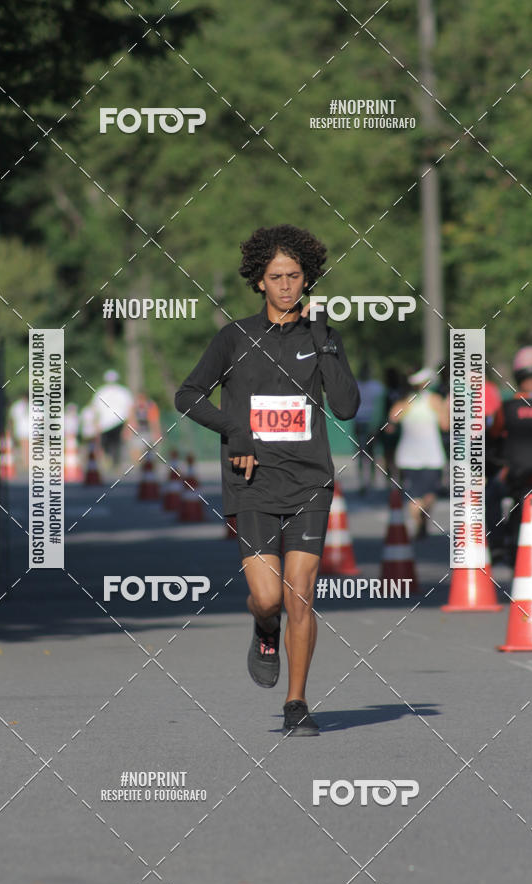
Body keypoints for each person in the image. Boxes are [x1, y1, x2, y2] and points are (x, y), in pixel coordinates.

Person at [175, 224, 360, 736]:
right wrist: (236, 432)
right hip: (252, 484)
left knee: (301, 594)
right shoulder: (234, 337)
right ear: (259, 281)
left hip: (310, 483)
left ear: (308, 279)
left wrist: (324, 344)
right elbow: (187, 395)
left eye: (294, 276)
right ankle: (263, 628)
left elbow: (346, 406)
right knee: (270, 598)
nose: (286, 286)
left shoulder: (324, 337)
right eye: (276, 277)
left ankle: (296, 703)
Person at [487, 347, 532, 557]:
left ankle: (497, 542)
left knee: (490, 493)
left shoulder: (507, 408)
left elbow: (492, 434)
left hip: (516, 475)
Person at [387, 367, 449, 538]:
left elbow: (391, 421)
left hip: (408, 455)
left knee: (413, 493)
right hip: (432, 455)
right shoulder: (435, 401)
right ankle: (424, 520)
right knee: (430, 493)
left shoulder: (404, 403)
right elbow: (445, 425)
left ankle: (417, 521)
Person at [92, 370, 134, 468]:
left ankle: (112, 462)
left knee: (111, 445)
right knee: (116, 445)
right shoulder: (123, 391)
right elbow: (130, 410)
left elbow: (95, 410)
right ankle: (114, 463)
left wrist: (96, 424)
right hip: (116, 422)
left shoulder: (101, 391)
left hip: (108, 424)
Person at [353, 363, 383, 493]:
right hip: (361, 421)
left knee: (368, 452)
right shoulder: (359, 385)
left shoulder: (374, 386)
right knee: (363, 452)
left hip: (367, 422)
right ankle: (365, 480)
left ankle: (369, 480)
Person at [127, 391, 161, 462]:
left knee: (149, 453)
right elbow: (131, 419)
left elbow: (154, 421)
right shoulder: (133, 406)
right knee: (136, 453)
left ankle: (147, 466)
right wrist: (128, 432)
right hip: (137, 433)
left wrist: (157, 432)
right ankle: (138, 468)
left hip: (148, 432)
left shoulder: (151, 406)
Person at [8, 393, 29, 470]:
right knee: (24, 447)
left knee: (27, 447)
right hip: (22, 430)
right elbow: (12, 419)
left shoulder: (34, 405)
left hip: (31, 430)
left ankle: (27, 462)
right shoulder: (17, 406)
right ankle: (26, 463)